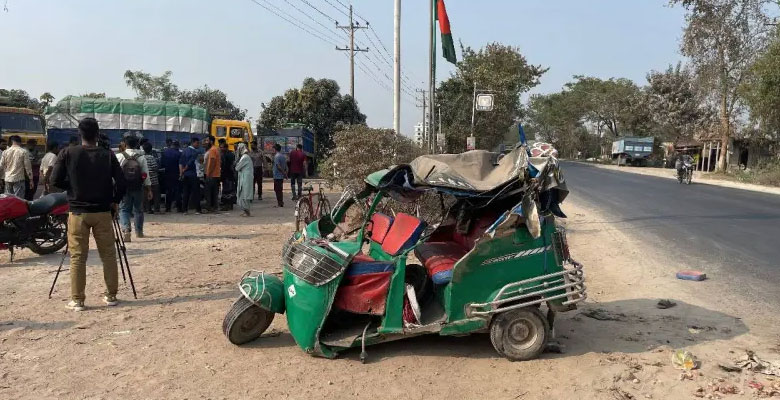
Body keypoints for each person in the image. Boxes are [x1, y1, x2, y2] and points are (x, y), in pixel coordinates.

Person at [51, 117, 127, 311]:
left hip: (77, 212)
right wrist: (115, 201)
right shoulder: (108, 154)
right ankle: (111, 296)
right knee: (109, 254)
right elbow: (122, 183)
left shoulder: (67, 153)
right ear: (97, 133)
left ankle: (77, 300)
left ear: (79, 133)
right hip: (102, 211)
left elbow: (55, 180)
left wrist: (74, 187)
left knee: (77, 257)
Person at [116, 135, 152, 242]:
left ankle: (126, 229)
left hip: (124, 187)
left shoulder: (119, 156)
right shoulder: (141, 157)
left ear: (125, 144)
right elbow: (145, 175)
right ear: (137, 144)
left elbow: (115, 174)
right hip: (138, 187)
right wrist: (149, 189)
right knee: (138, 209)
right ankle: (139, 232)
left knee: (124, 209)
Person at [179, 137, 203, 214]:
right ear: (193, 142)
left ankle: (184, 210)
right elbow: (193, 162)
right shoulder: (196, 152)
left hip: (185, 175)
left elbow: (180, 163)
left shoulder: (184, 151)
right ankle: (198, 210)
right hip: (194, 174)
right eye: (197, 143)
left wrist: (181, 173)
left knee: (186, 192)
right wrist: (185, 169)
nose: (198, 144)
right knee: (196, 192)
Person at [161, 140, 182, 212]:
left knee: (168, 191)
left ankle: (168, 208)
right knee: (177, 191)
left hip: (167, 174)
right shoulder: (179, 154)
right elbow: (181, 165)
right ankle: (179, 208)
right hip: (176, 174)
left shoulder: (165, 152)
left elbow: (162, 164)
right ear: (178, 146)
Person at [203, 135, 221, 212]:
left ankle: (209, 207)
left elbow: (212, 162)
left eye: (207, 141)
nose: (206, 142)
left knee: (209, 192)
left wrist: (208, 173)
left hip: (212, 174)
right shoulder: (214, 149)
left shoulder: (212, 150)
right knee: (214, 192)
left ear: (211, 141)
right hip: (216, 174)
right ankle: (214, 207)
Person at [142, 142, 161, 214]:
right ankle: (156, 209)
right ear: (150, 150)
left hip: (144, 179)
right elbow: (155, 167)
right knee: (156, 195)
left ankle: (147, 209)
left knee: (146, 194)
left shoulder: (142, 157)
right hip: (153, 179)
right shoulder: (151, 157)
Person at [219, 139, 236, 211]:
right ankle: (228, 205)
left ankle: (228, 205)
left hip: (228, 175)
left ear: (226, 148)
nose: (221, 149)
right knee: (228, 190)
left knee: (228, 190)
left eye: (222, 147)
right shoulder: (228, 154)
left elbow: (227, 165)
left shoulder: (227, 155)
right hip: (227, 175)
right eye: (220, 147)